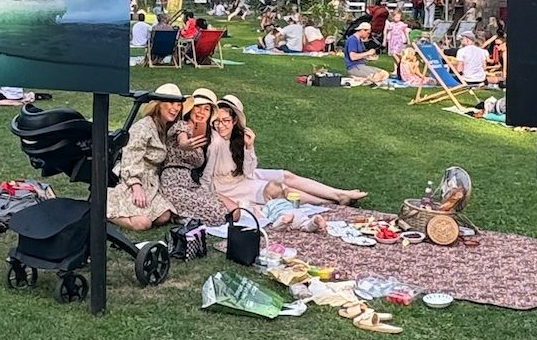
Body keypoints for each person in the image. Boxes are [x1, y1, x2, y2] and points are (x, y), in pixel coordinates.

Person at [207, 96, 365, 215]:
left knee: (286, 175)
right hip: (229, 186)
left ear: (234, 121)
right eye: (217, 121)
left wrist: (249, 148)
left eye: (226, 120)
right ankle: (330, 201)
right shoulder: (215, 143)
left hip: (243, 176)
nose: (221, 125)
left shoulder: (238, 137)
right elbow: (211, 176)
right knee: (279, 189)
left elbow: (248, 171)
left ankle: (338, 193)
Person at [106, 83, 182, 230]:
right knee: (143, 223)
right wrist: (136, 186)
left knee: (164, 216)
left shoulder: (165, 127)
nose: (176, 108)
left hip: (152, 182)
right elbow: (131, 156)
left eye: (178, 104)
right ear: (158, 105)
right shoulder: (143, 127)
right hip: (135, 179)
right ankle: (103, 208)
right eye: (171, 103)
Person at [159, 88, 227, 223]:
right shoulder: (181, 125)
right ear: (190, 109)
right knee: (218, 213)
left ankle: (182, 216)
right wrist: (184, 144)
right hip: (173, 183)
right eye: (198, 107)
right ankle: (179, 215)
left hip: (190, 184)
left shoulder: (205, 138)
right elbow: (182, 139)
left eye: (206, 109)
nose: (201, 112)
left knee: (225, 209)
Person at [256, 181, 326, 232]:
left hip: (284, 214)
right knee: (305, 225)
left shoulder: (270, 204)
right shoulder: (287, 201)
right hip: (297, 213)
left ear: (269, 197)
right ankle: (314, 221)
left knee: (276, 226)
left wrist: (257, 209)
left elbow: (262, 216)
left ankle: (285, 221)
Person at [383, 10, 410, 75]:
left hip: (399, 41)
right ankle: (396, 69)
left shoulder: (402, 24)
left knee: (398, 54)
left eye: (399, 17)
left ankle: (401, 67)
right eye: (396, 17)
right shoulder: (390, 24)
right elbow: (386, 32)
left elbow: (405, 32)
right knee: (393, 55)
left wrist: (408, 40)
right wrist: (384, 40)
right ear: (393, 17)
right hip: (392, 41)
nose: (397, 18)